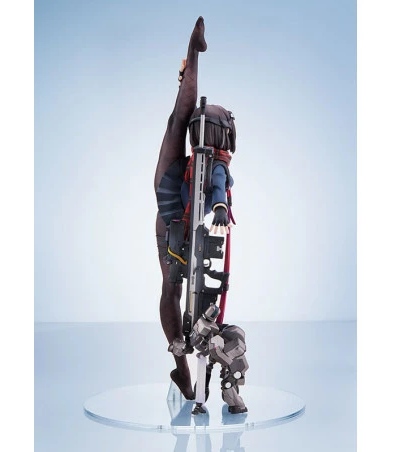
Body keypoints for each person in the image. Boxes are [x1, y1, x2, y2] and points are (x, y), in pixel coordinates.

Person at [154, 17, 236, 400]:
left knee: (177, 290)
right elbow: (182, 118)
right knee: (171, 288)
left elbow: (219, 188)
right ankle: (182, 369)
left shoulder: (217, 165)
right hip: (172, 213)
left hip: (181, 222)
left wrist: (219, 205)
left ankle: (186, 369)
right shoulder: (200, 162)